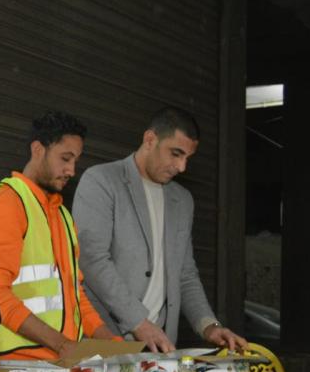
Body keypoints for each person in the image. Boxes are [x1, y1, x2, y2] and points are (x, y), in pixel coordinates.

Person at [72, 106, 247, 353]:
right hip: (104, 339)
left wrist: (209, 325)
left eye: (187, 157)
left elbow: (185, 274)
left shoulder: (183, 200)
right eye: (175, 154)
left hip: (160, 346)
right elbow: (91, 260)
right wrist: (139, 322)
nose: (182, 167)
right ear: (150, 139)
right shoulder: (101, 180)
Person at [0, 111, 116, 361]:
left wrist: (112, 343)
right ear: (38, 149)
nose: (71, 170)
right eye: (65, 158)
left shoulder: (62, 215)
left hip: (58, 362)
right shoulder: (6, 203)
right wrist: (61, 344)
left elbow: (74, 295)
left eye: (76, 161)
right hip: (17, 365)